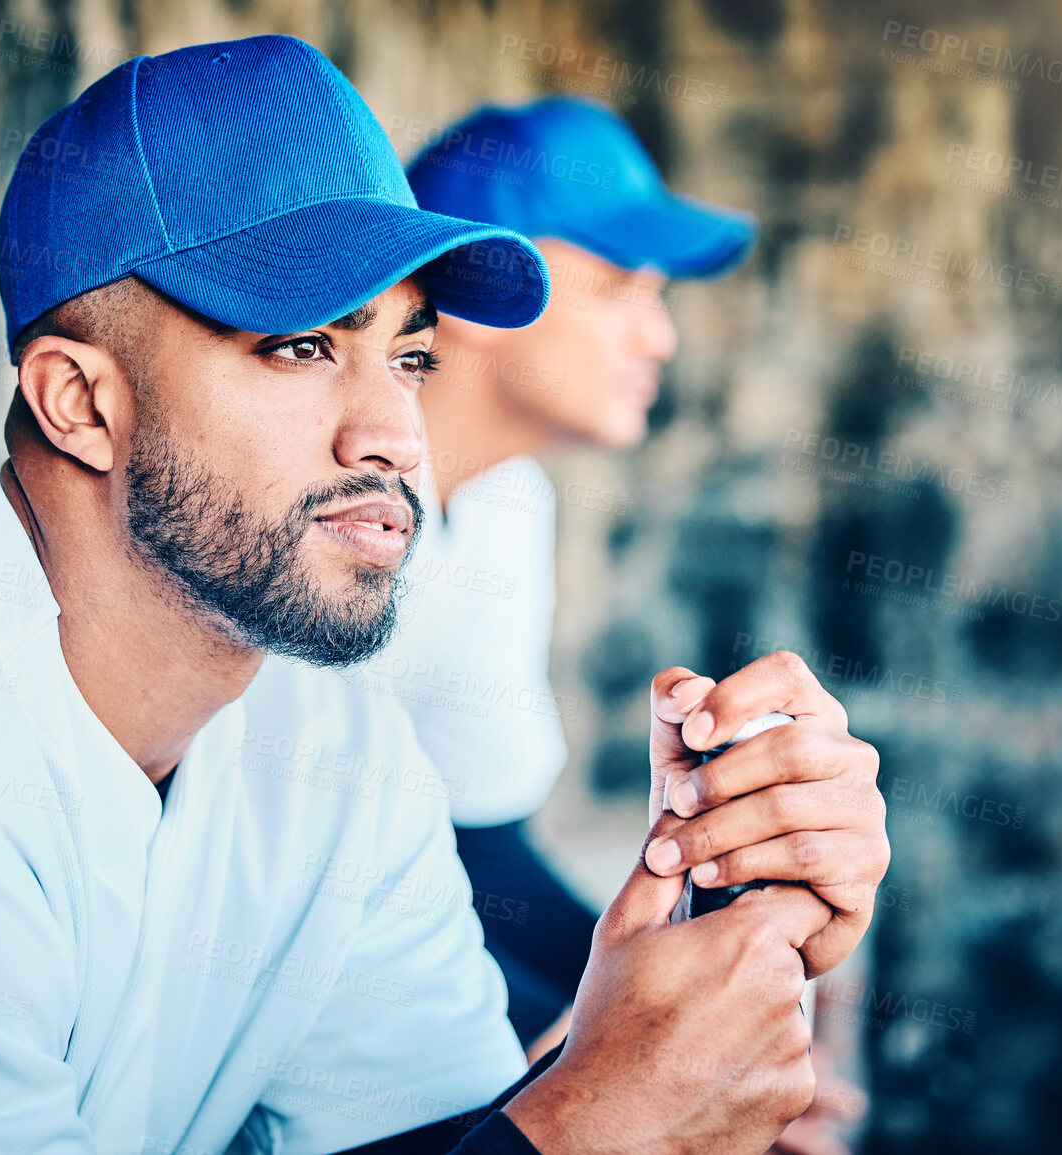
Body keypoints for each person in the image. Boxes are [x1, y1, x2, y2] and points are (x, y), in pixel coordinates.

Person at [0, 36, 888, 1155]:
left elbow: (425, 1132)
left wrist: (713, 936)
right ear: (79, 401)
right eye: (300, 344)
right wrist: (599, 1118)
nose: (392, 435)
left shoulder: (323, 733)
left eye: (407, 353)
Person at [361, 97, 870, 1149]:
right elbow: (317, 934)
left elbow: (483, 853)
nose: (662, 333)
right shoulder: (322, 515)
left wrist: (724, 1040)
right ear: (471, 288)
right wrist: (626, 1062)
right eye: (618, 286)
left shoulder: (506, 501)